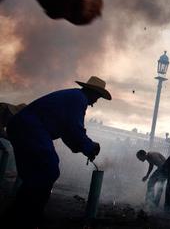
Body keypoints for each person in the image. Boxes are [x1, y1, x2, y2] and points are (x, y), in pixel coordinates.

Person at [5, 76, 111, 228]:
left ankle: (17, 216)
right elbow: (74, 129)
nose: (96, 102)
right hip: (31, 128)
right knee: (49, 169)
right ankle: (31, 215)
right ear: (92, 92)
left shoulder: (73, 97)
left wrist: (84, 147)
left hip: (21, 127)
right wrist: (89, 146)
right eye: (98, 97)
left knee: (32, 176)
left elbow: (67, 133)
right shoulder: (78, 99)